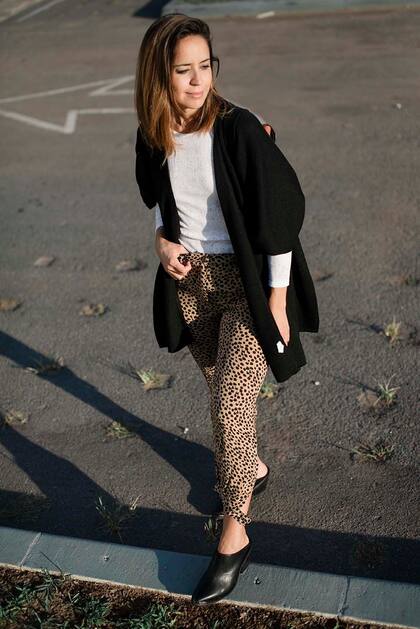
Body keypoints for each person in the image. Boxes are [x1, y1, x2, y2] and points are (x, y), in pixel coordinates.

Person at [134, 14, 319, 605]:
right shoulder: (153, 132)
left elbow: (279, 213)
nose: (198, 81)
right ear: (158, 77)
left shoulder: (237, 128)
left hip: (247, 284)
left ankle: (234, 532)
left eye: (205, 66)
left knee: (231, 401)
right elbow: (158, 199)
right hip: (192, 283)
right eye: (183, 71)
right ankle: (252, 470)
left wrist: (277, 301)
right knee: (220, 387)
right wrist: (161, 243)